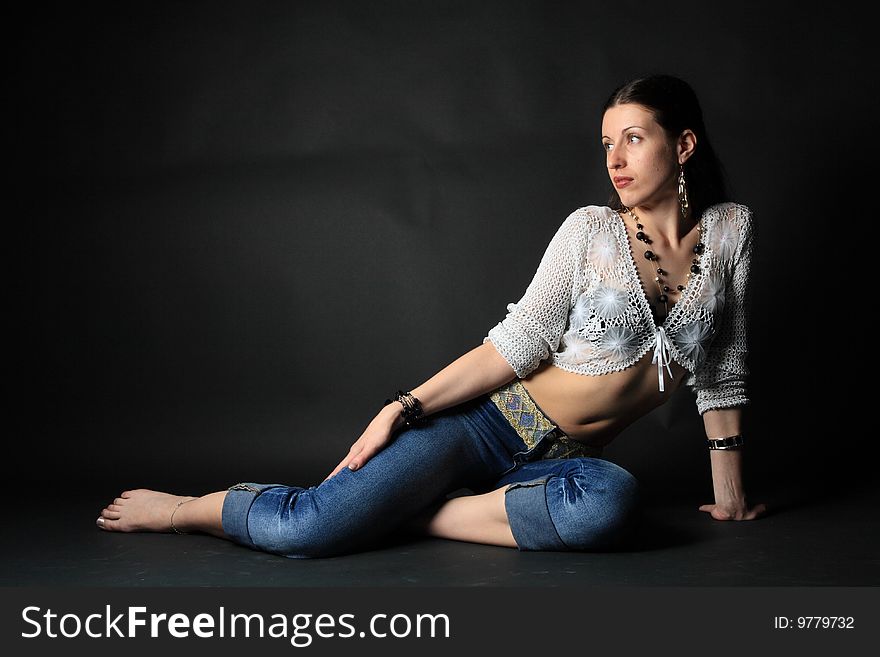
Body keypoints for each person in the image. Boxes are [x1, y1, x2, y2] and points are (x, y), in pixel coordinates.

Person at [96, 74, 767, 558]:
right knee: (308, 530)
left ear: (683, 145)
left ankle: (409, 515)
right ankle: (182, 509)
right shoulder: (590, 230)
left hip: (564, 464)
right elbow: (518, 341)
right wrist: (404, 405)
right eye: (606, 143)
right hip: (483, 429)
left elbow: (723, 361)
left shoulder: (730, 231)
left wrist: (729, 492)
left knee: (612, 503)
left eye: (633, 138)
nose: (614, 159)